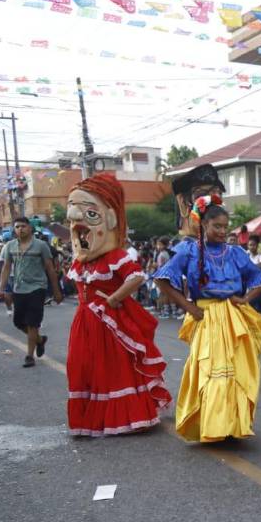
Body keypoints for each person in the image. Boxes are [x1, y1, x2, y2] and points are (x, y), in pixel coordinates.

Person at [63, 173, 172, 436]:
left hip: (109, 323)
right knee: (86, 367)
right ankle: (94, 418)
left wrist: (114, 298)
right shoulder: (81, 261)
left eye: (90, 214)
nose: (77, 223)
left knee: (114, 368)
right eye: (72, 217)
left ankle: (126, 418)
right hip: (84, 321)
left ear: (110, 219)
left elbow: (137, 277)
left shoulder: (116, 256)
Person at [153, 196, 261, 443]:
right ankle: (213, 426)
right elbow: (162, 279)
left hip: (232, 316)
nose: (223, 231)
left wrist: (245, 299)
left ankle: (233, 425)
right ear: (203, 225)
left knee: (235, 371)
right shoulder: (189, 250)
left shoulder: (235, 252)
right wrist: (188, 307)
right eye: (217, 226)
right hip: (205, 315)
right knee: (211, 370)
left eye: (225, 227)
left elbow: (260, 279)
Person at [0, 216, 63, 368]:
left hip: (37, 288)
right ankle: (39, 340)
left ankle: (29, 356)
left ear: (30, 228)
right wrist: (1, 288)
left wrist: (56, 291)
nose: (20, 229)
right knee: (18, 322)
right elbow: (6, 268)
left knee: (33, 322)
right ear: (14, 230)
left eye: (23, 226)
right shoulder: (10, 246)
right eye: (17, 227)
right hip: (19, 288)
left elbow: (50, 268)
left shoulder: (41, 246)